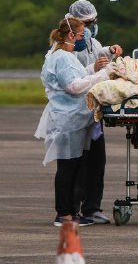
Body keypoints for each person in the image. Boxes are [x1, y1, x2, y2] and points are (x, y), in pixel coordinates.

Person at [36, 17, 112, 227]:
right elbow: (73, 86)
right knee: (68, 168)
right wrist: (102, 76)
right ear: (71, 35)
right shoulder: (61, 57)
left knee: (76, 167)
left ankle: (71, 211)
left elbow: (78, 75)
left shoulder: (65, 56)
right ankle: (64, 213)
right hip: (67, 120)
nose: (82, 38)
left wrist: (93, 70)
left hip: (74, 119)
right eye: (80, 35)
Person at [67, 0, 122, 226]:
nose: (90, 27)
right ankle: (72, 210)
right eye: (86, 23)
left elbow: (99, 54)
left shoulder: (92, 42)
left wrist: (110, 51)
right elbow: (75, 78)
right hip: (75, 113)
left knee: (97, 162)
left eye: (93, 22)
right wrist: (96, 69)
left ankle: (92, 208)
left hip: (93, 113)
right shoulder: (66, 46)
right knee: (77, 164)